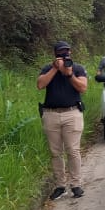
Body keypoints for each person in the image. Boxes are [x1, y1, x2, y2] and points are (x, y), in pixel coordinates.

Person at [36, 40, 88, 200]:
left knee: (73, 151)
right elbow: (40, 85)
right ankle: (60, 185)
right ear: (54, 54)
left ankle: (76, 184)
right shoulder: (47, 68)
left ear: (70, 52)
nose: (63, 55)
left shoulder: (77, 68)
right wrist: (54, 68)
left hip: (71, 113)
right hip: (51, 113)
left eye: (66, 52)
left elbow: (83, 88)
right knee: (55, 152)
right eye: (60, 53)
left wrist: (69, 74)